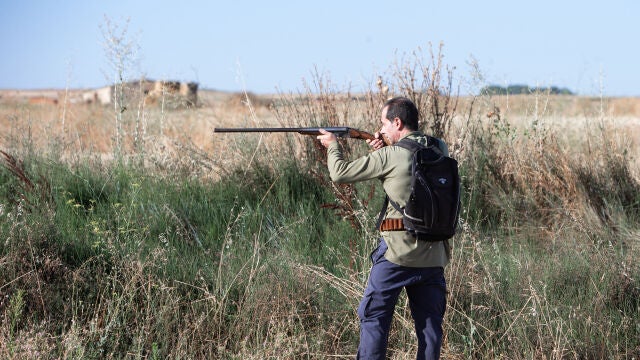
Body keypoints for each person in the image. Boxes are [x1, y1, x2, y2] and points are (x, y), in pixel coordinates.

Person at [317, 97, 450, 360]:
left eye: (383, 123)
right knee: (430, 327)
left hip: (397, 255)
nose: (381, 128)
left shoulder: (392, 155)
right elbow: (410, 164)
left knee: (374, 317)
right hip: (434, 254)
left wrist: (333, 146)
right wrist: (386, 144)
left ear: (397, 122)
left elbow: (340, 173)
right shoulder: (439, 148)